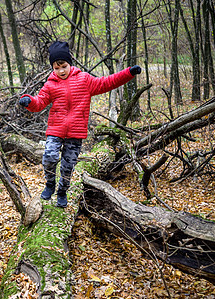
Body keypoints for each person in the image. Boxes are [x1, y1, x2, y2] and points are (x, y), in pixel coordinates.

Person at [19, 41, 141, 208]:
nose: (61, 71)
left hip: (75, 133)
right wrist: (29, 101)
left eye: (63, 66)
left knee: (68, 166)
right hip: (56, 130)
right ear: (52, 68)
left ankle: (62, 192)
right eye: (56, 67)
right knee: (49, 157)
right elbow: (39, 102)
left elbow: (107, 82)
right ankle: (49, 184)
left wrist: (129, 73)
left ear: (69, 63)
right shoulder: (50, 85)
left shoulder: (84, 79)